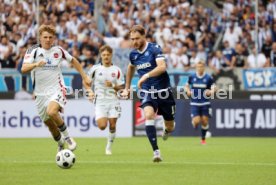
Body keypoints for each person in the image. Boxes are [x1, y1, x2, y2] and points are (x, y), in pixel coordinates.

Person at [21, 24, 91, 151]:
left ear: (53, 38)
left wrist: (84, 76)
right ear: (40, 38)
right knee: (50, 125)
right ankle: (60, 143)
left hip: (57, 89)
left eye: (50, 37)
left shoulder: (58, 50)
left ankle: (69, 139)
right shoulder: (33, 50)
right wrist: (36, 64)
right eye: (45, 37)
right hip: (40, 94)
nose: (48, 40)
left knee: (52, 111)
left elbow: (74, 60)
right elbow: (23, 68)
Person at [121, 25, 176, 162]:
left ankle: (166, 130)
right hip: (147, 91)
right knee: (149, 115)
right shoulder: (133, 54)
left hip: (164, 92)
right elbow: (130, 68)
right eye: (132, 39)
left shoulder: (154, 49)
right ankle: (156, 152)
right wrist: (127, 87)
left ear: (144, 36)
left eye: (137, 38)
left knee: (170, 126)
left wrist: (146, 75)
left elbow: (162, 67)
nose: (134, 42)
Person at [83, 45, 124, 155]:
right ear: (101, 56)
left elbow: (122, 87)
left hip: (113, 101)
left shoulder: (117, 70)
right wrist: (89, 90)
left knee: (112, 125)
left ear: (111, 55)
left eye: (108, 55)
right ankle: (108, 143)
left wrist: (113, 85)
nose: (106, 57)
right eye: (104, 55)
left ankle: (108, 147)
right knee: (102, 126)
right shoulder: (95, 69)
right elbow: (86, 82)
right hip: (100, 101)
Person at [185, 59, 216, 145]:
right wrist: (188, 91)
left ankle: (203, 139)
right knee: (196, 121)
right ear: (196, 67)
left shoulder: (209, 78)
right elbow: (186, 86)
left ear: (204, 68)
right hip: (195, 102)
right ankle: (194, 123)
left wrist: (211, 92)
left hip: (205, 103)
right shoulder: (192, 77)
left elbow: (214, 88)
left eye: (201, 66)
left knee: (205, 121)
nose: (200, 68)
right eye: (198, 67)